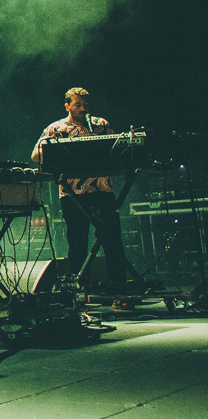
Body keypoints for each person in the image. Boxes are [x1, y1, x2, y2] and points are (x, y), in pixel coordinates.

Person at [31, 87, 128, 287]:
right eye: (78, 105)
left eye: (86, 104)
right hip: (72, 193)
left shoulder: (101, 124)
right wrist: (59, 156)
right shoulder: (56, 128)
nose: (83, 108)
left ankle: (119, 285)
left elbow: (117, 149)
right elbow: (35, 155)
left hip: (102, 190)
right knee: (77, 242)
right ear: (67, 106)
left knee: (112, 240)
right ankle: (80, 288)